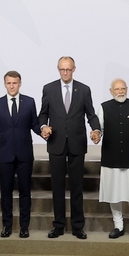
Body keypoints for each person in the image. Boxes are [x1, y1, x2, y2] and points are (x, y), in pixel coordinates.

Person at [36, 56, 100, 239]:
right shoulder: (49, 89)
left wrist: (96, 129)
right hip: (56, 143)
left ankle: (78, 226)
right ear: (58, 69)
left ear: (74, 69)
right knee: (57, 187)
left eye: (68, 70)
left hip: (76, 144)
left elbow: (91, 115)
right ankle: (58, 225)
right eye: (62, 70)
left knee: (76, 186)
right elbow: (43, 114)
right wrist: (43, 127)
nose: (65, 73)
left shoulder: (84, 90)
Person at [0, 71, 42, 239]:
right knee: (6, 192)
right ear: (5, 84)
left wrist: (44, 131)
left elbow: (35, 125)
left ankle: (24, 226)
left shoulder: (29, 102)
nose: (11, 86)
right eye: (9, 83)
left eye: (14, 83)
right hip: (5, 155)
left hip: (24, 154)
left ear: (20, 84)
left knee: (25, 192)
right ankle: (7, 226)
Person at [92, 78, 129, 241]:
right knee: (113, 193)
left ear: (127, 89)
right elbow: (99, 128)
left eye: (123, 88)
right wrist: (96, 134)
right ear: (111, 91)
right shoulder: (104, 107)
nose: (120, 91)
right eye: (117, 89)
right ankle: (118, 226)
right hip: (111, 157)